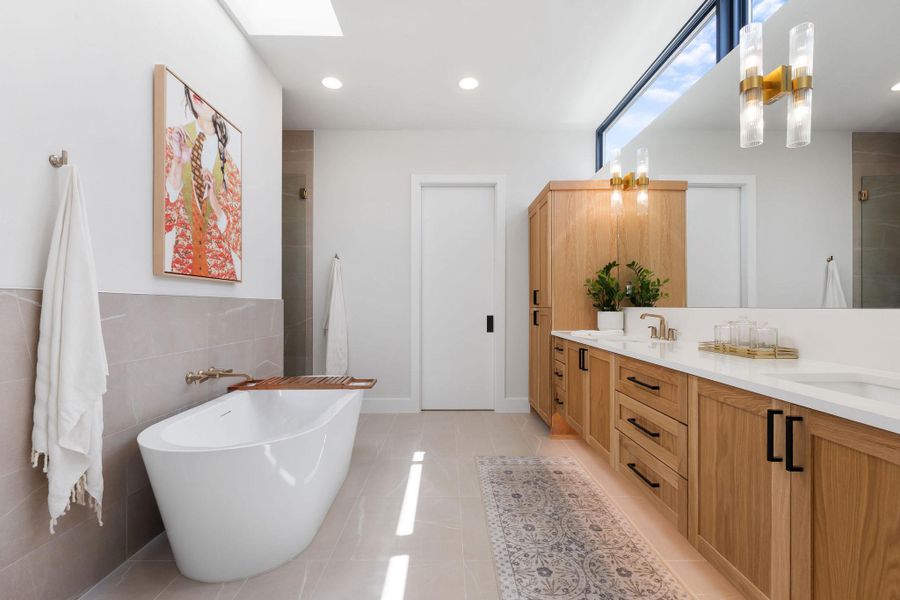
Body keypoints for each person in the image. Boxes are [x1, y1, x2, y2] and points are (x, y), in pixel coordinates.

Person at [164, 85, 241, 280]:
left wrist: (215, 203)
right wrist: (177, 162)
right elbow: (164, 220)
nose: (198, 96)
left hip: (220, 268)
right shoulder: (171, 139)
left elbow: (237, 237)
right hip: (182, 268)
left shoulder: (229, 166)